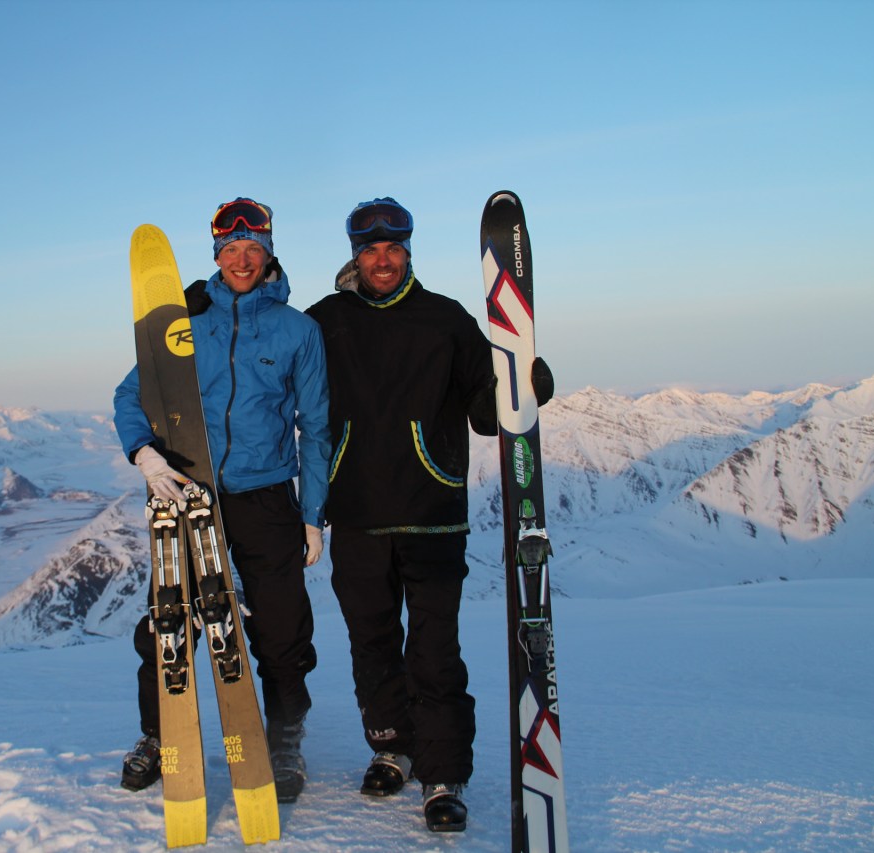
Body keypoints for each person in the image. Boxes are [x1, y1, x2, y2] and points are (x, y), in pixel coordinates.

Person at [306, 197, 553, 833]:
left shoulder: (445, 320)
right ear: (355, 255)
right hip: (356, 513)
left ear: (408, 251)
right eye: (370, 249)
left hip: (434, 514)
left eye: (393, 248)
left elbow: (482, 409)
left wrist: (523, 384)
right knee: (372, 643)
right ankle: (393, 746)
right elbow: (274, 376)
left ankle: (443, 775)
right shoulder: (326, 321)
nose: (382, 259)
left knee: (435, 652)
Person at [113, 198, 331, 803]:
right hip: (190, 493)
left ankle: (284, 740)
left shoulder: (298, 331)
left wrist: (313, 515)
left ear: (268, 254)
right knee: (167, 624)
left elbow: (315, 427)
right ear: (217, 255)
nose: (241, 259)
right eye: (230, 250)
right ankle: (160, 737)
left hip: (266, 497)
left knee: (283, 630)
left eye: (252, 249)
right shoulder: (187, 319)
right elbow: (129, 395)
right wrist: (145, 455)